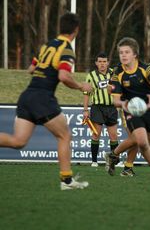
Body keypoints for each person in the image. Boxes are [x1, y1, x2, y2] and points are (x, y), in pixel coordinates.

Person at [0, 13, 92, 190]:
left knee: (18, 141)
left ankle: (67, 181)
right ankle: (67, 181)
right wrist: (81, 86)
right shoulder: (66, 49)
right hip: (42, 97)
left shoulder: (47, 45)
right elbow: (64, 76)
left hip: (27, 96)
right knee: (65, 136)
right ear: (76, 30)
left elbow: (31, 69)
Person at [105, 37, 150, 186]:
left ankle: (112, 155)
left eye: (127, 52)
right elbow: (115, 100)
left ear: (135, 55)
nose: (123, 55)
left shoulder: (145, 69)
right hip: (131, 109)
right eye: (121, 53)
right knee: (141, 141)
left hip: (149, 107)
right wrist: (124, 104)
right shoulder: (117, 73)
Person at [83, 52, 119, 167]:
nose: (102, 64)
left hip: (112, 108)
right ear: (96, 63)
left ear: (108, 62)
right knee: (96, 135)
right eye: (100, 62)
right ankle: (94, 161)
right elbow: (86, 93)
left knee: (113, 136)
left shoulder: (114, 73)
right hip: (97, 107)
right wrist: (85, 109)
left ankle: (114, 160)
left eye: (104, 61)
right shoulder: (91, 76)